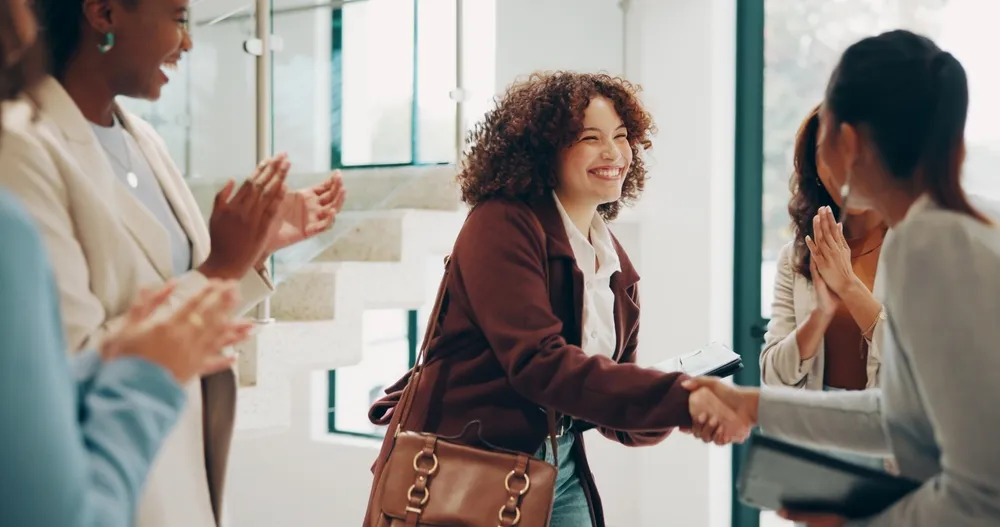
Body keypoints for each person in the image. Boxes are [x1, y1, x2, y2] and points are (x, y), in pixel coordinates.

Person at [0, 0, 346, 526]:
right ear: (104, 13)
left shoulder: (145, 141)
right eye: (180, 18)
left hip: (183, 470)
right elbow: (59, 368)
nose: (188, 43)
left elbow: (180, 291)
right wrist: (220, 268)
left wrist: (252, 250)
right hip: (114, 484)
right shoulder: (21, 149)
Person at [365, 71, 749, 527]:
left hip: (557, 462)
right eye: (590, 137)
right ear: (545, 151)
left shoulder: (613, 262)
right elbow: (539, 365)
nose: (613, 153)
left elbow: (610, 407)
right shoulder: (502, 224)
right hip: (466, 464)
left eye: (622, 136)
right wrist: (679, 397)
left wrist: (679, 406)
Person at [685, 29, 1000, 526]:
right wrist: (749, 403)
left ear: (848, 141)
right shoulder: (958, 228)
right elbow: (898, 418)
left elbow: (982, 496)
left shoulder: (927, 246)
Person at [759, 106, 887, 472]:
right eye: (824, 155)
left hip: (891, 435)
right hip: (819, 432)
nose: (840, 169)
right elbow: (774, 375)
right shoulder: (797, 255)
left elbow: (921, 368)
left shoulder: (915, 246)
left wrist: (848, 286)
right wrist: (820, 315)